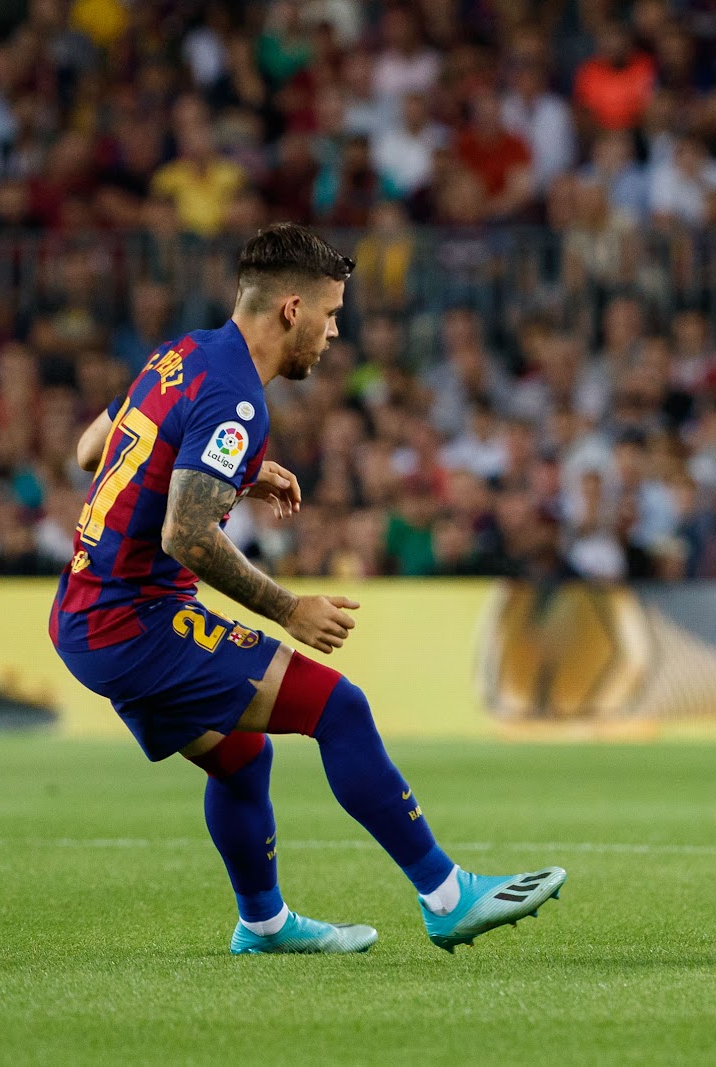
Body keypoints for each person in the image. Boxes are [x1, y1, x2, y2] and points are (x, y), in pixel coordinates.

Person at [49, 224, 565, 955]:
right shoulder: (235, 397)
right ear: (292, 309)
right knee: (338, 707)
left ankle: (263, 924)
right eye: (331, 313)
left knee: (239, 757)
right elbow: (185, 536)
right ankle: (448, 896)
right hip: (133, 621)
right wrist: (289, 608)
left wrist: (230, 468)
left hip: (84, 611)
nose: (334, 332)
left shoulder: (181, 353)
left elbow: (89, 449)